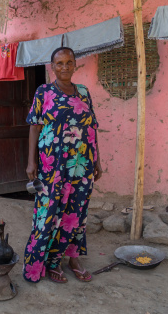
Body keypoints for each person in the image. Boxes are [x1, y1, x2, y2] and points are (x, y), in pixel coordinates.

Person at [22, 47, 102, 284]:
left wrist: (97, 159)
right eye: (59, 63)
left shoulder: (84, 92)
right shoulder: (43, 92)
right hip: (53, 165)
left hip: (82, 163)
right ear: (52, 66)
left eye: (69, 62)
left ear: (75, 64)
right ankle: (45, 262)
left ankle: (73, 259)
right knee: (49, 213)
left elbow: (91, 127)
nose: (64, 67)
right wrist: (30, 161)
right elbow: (34, 126)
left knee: (77, 213)